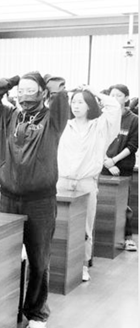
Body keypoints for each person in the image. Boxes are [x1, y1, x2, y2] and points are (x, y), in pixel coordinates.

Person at [0, 71, 68, 328]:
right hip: (8, 196)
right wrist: (10, 82)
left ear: (42, 92)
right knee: (6, 255)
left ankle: (36, 312)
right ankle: (6, 309)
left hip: (40, 201)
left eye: (31, 90)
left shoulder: (52, 118)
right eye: (21, 91)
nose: (24, 95)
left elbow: (61, 96)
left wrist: (49, 81)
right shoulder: (9, 116)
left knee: (38, 259)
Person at [57, 87, 120, 282]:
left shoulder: (100, 126)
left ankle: (83, 265)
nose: (76, 106)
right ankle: (56, 265)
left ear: (90, 105)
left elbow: (115, 106)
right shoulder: (64, 124)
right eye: (73, 102)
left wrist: (93, 92)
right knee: (58, 225)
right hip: (62, 181)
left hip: (86, 183)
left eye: (81, 102)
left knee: (85, 227)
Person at [101, 84, 138, 251]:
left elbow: (133, 145)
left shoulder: (134, 120)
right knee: (103, 202)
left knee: (124, 204)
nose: (114, 98)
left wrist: (114, 161)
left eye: (119, 95)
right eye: (112, 95)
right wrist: (106, 161)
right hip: (103, 165)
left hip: (123, 167)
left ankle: (128, 237)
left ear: (126, 98)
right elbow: (97, 141)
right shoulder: (104, 117)